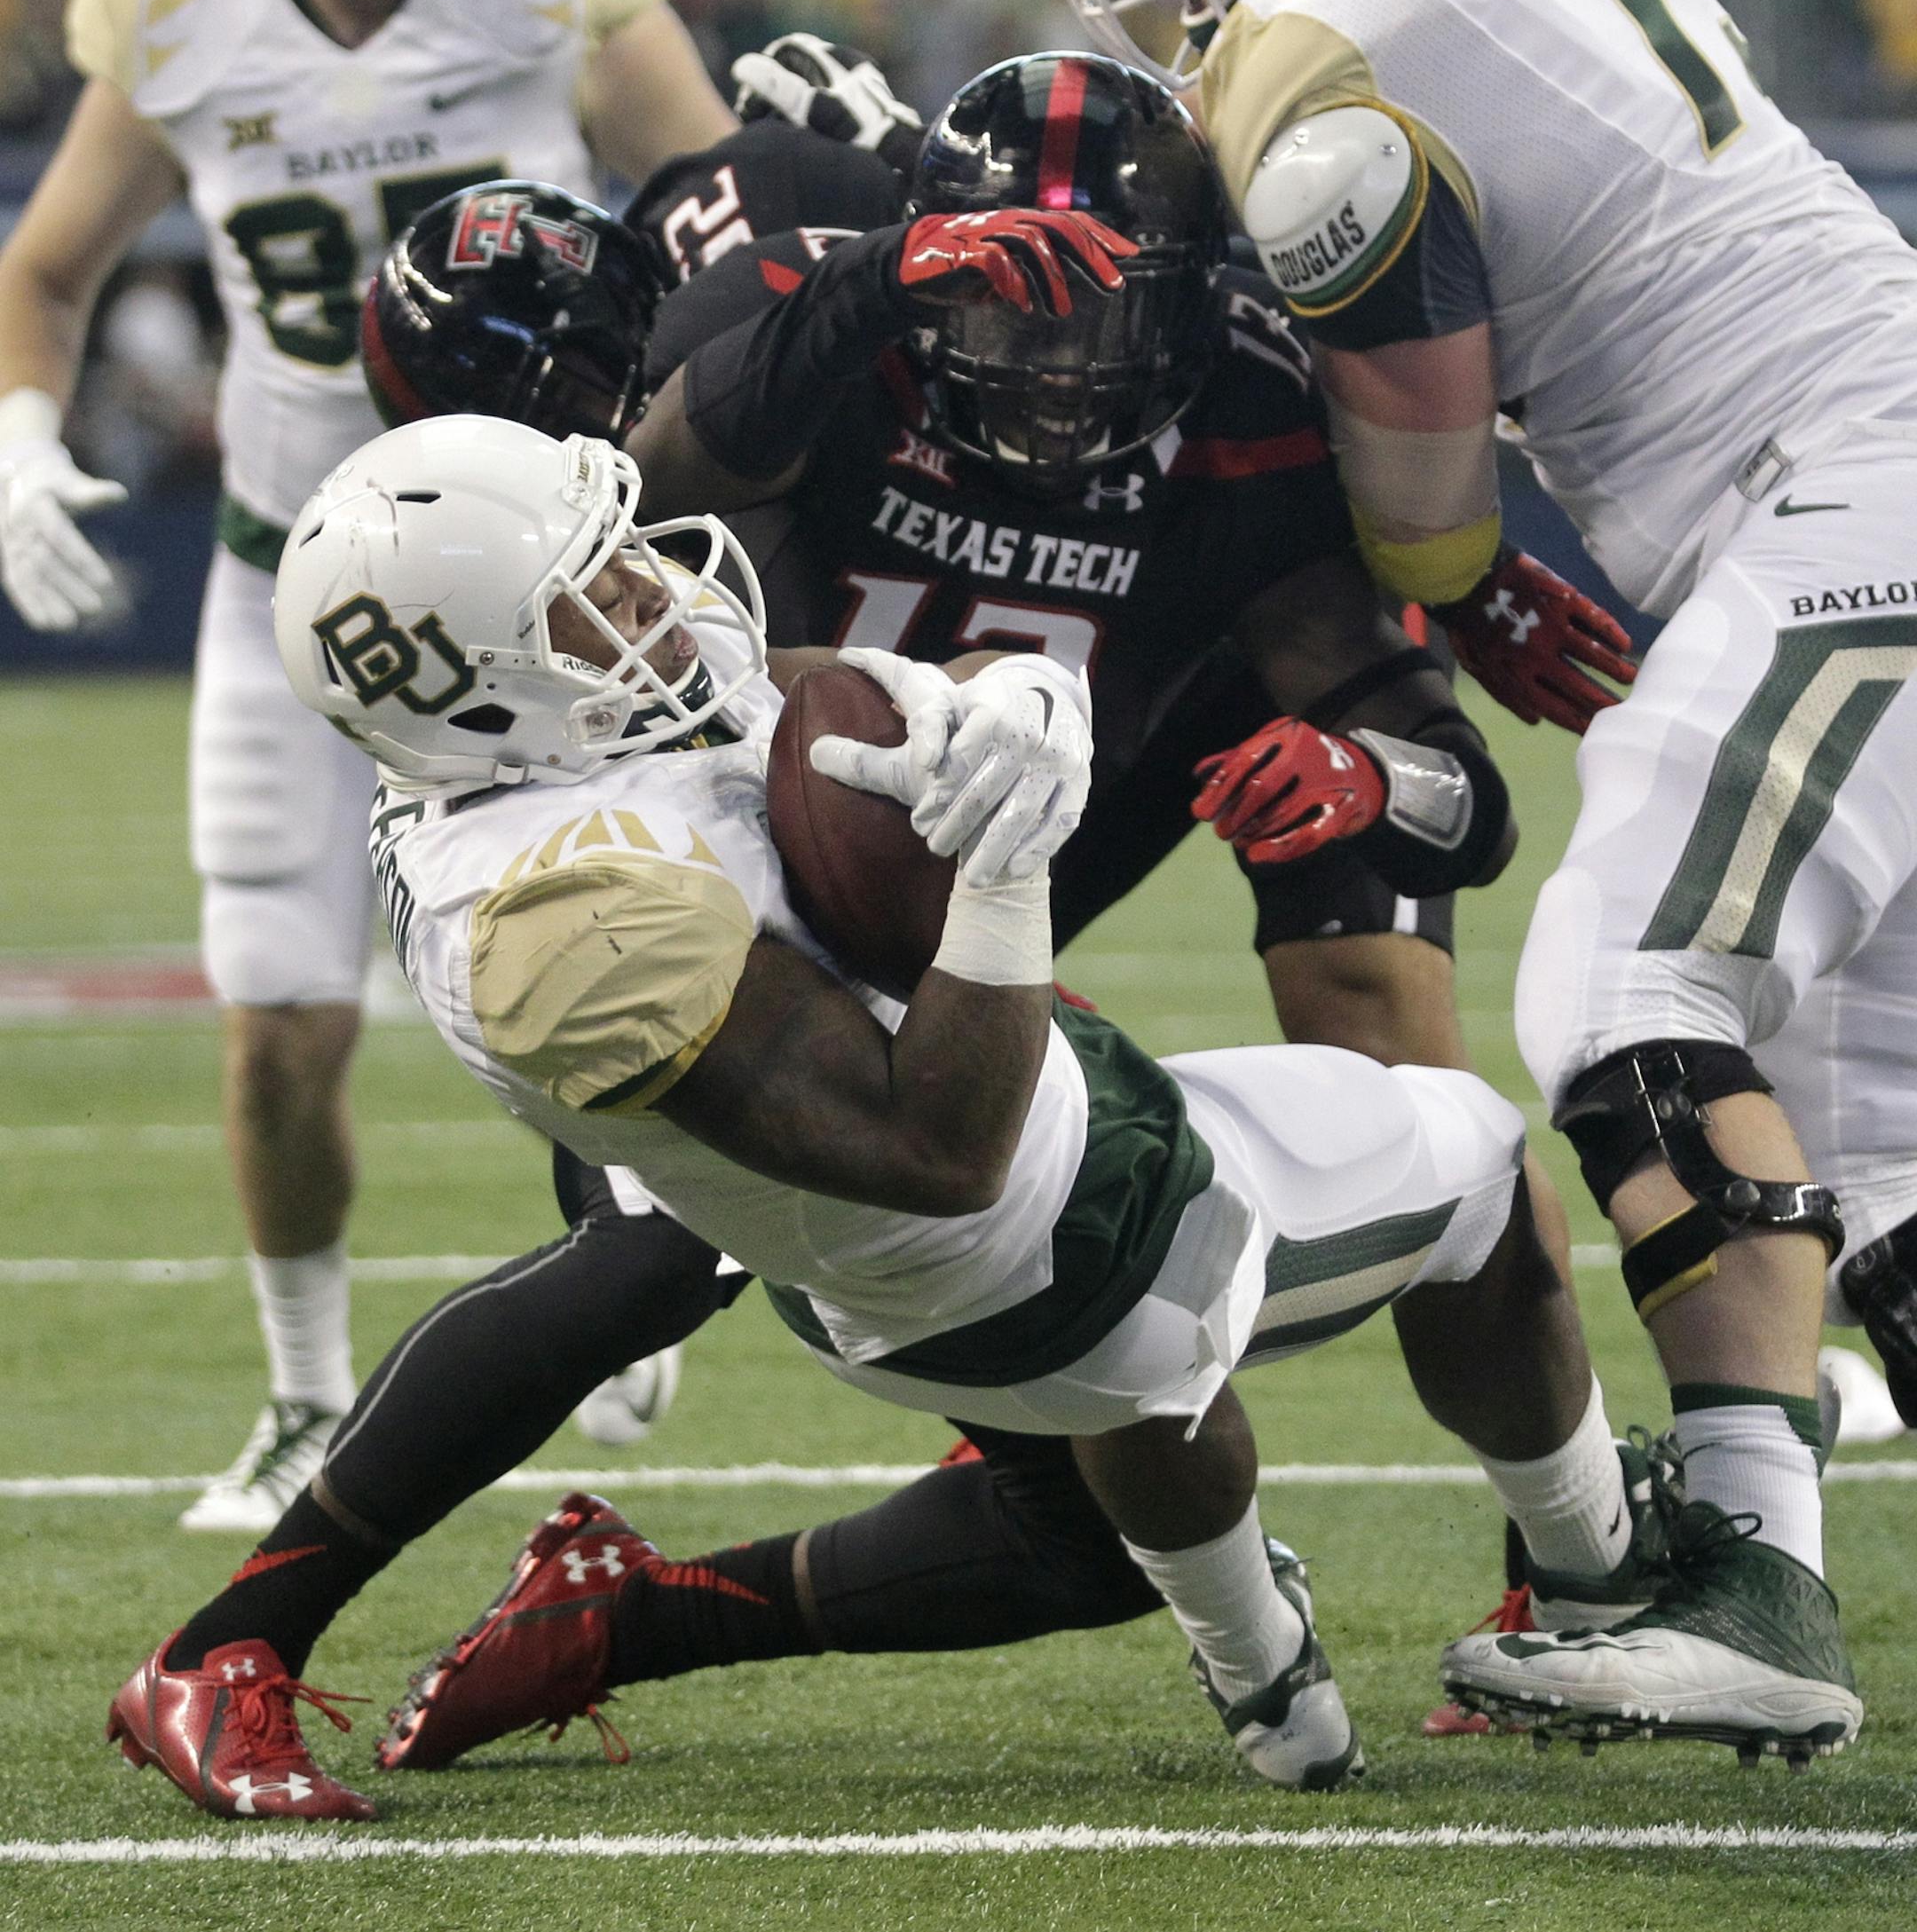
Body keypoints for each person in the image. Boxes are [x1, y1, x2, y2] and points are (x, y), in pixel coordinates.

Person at [106, 409, 1641, 1822]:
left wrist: (983, 702)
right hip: (1026, 1233)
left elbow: (805, 704)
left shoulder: (540, 725)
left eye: (616, 552)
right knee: (1479, 1167)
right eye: (594, 592)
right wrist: (1005, 856)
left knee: (1086, 1539)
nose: (650, 589)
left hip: (900, 1255)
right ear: (486, 684)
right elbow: (939, 1155)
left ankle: (643, 1617)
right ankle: (1595, 1602)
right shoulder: (561, 922)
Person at [1053, 0, 1906, 1761]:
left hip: (1837, 483)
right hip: (1844, 456)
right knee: (1877, 1142)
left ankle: (1747, 1579)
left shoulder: (1310, 44)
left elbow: (1426, 500)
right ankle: (1760, 1585)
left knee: (1627, 987)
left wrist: (1459, 576)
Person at [0, 0, 735, 1530]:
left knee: (631, 948)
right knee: (278, 1017)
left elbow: (723, 212)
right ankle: (303, 1393)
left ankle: (643, 1247)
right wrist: (19, 429)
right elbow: (49, 265)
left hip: (554, 564)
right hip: (288, 572)